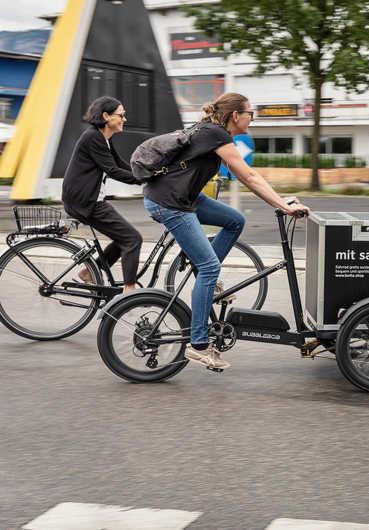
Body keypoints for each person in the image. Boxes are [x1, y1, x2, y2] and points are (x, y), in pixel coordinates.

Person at [143, 92, 310, 370]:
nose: (251, 119)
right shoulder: (215, 134)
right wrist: (282, 204)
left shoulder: (213, 133)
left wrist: (283, 201)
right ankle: (198, 345)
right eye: (250, 113)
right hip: (169, 203)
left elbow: (246, 176)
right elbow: (249, 176)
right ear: (236, 116)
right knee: (208, 266)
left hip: (185, 197)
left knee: (235, 220)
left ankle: (207, 279)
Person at [61, 96, 143, 293]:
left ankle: (89, 273)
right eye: (121, 115)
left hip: (89, 199)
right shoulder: (93, 137)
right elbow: (113, 171)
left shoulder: (103, 138)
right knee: (132, 239)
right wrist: (144, 180)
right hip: (84, 202)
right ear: (106, 116)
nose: (124, 119)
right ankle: (129, 291)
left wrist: (145, 174)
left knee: (125, 237)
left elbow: (119, 164)